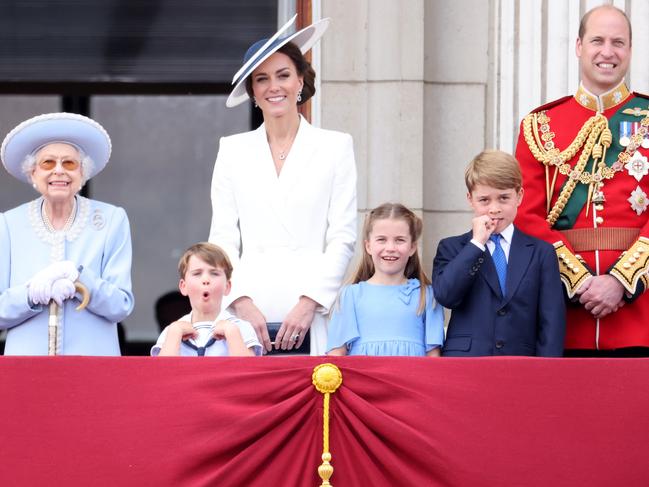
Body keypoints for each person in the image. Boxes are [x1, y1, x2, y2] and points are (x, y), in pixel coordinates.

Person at [209, 15, 357, 355]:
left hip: (312, 309)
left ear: (301, 81)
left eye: (283, 75)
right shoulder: (232, 151)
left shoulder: (335, 146)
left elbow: (343, 236)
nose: (274, 87)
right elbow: (222, 239)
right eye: (262, 79)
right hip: (248, 311)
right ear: (253, 93)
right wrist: (240, 301)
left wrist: (310, 302)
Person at [514, 6, 649, 356]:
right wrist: (581, 280)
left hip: (640, 318)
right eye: (597, 41)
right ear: (578, 46)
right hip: (565, 317)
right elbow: (524, 215)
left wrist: (621, 281)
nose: (608, 51)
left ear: (631, 50)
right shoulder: (539, 125)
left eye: (618, 42)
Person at [0, 112, 134, 355]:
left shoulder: (112, 220)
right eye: (47, 163)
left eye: (69, 163)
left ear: (82, 173)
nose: (59, 171)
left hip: (93, 364)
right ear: (32, 174)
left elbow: (121, 305)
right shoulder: (8, 224)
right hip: (26, 367)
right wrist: (29, 294)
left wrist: (79, 279)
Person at [432, 150, 565, 357]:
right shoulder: (452, 248)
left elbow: (551, 321)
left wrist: (546, 372)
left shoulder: (541, 253)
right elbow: (446, 296)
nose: (494, 208)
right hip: (467, 363)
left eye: (504, 198)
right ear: (470, 199)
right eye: (484, 200)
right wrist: (476, 244)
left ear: (519, 196)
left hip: (521, 364)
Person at [327, 203, 444, 356]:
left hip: (409, 378)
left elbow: (434, 357)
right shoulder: (350, 295)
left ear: (412, 247)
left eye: (399, 240)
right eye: (381, 239)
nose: (390, 247)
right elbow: (337, 354)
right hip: (364, 378)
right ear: (368, 246)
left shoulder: (426, 295)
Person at [151, 242, 261, 357]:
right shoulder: (171, 331)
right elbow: (164, 373)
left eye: (214, 273)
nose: (206, 279)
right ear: (184, 286)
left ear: (227, 287)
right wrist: (174, 334)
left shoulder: (241, 328)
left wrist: (232, 333)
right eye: (197, 273)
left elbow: (248, 372)